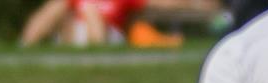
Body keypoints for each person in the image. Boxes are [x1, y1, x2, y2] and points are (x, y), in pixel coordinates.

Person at [20, 0, 218, 48]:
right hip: (73, 34)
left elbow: (166, 3)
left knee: (89, 10)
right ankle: (25, 46)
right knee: (59, 4)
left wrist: (200, 3)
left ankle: (95, 50)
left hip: (108, 34)